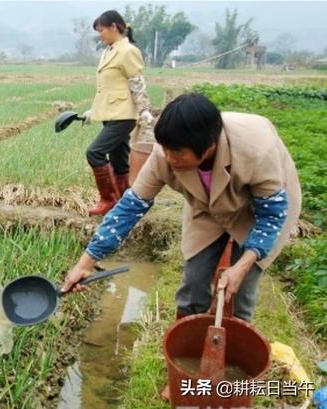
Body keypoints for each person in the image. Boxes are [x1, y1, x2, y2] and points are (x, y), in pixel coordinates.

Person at [62, 93, 301, 322]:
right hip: (206, 205)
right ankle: (187, 337)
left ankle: (234, 339)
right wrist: (85, 264)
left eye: (177, 153)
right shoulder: (164, 154)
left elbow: (270, 217)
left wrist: (241, 266)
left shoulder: (256, 151)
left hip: (257, 208)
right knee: (194, 278)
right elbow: (129, 208)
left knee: (240, 290)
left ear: (208, 147)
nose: (168, 158)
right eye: (165, 149)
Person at [83, 10, 155, 217]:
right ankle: (125, 201)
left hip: (123, 115)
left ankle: (108, 199)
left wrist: (144, 110)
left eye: (102, 30)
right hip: (110, 112)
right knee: (119, 160)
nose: (101, 35)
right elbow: (107, 87)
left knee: (94, 152)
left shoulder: (127, 51)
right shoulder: (109, 50)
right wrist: (93, 110)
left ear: (114, 27)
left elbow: (137, 82)